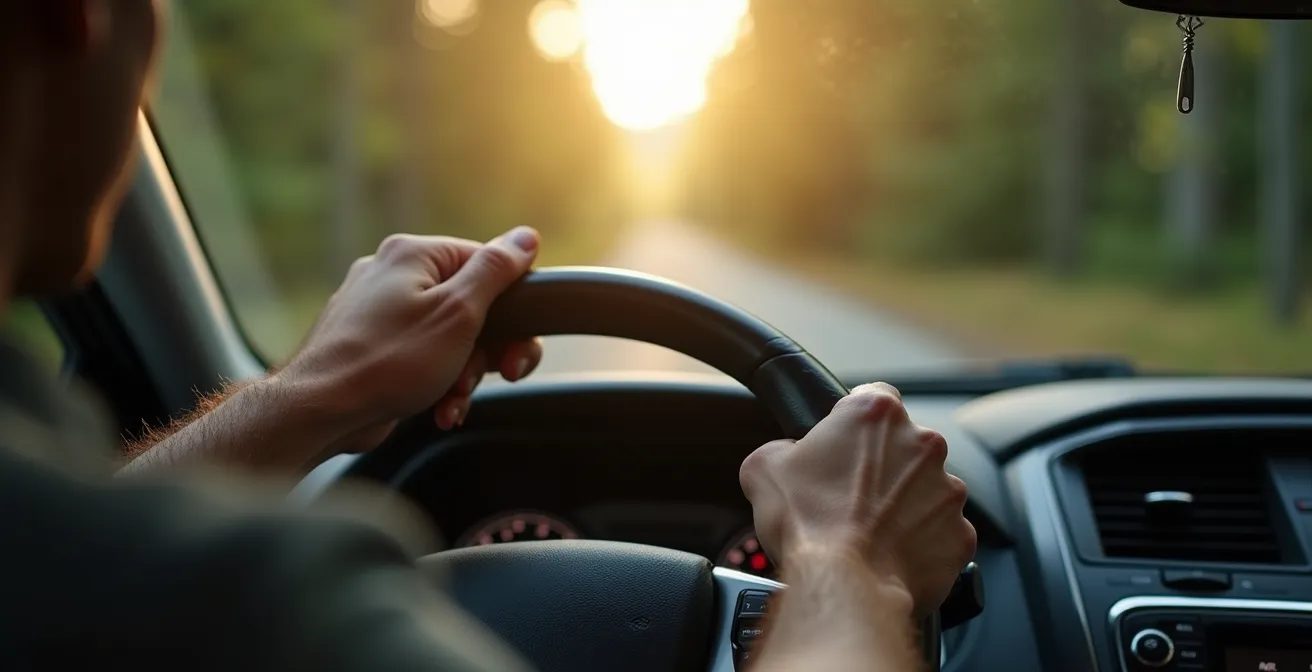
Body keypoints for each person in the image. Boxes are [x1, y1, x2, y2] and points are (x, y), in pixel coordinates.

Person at [0, 1, 977, 670]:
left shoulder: (66, 555)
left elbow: (78, 566)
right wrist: (853, 562)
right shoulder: (284, 615)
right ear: (73, 12)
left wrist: (315, 391)